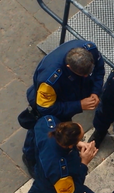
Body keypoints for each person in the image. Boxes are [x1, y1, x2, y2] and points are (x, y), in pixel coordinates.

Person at [21, 39, 105, 176]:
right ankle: (29, 157)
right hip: (51, 103)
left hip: (71, 94)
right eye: (83, 74)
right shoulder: (49, 79)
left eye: (87, 73)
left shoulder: (90, 50)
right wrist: (79, 105)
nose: (86, 76)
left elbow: (99, 69)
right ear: (68, 66)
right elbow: (45, 109)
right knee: (39, 130)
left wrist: (95, 91)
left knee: (64, 132)